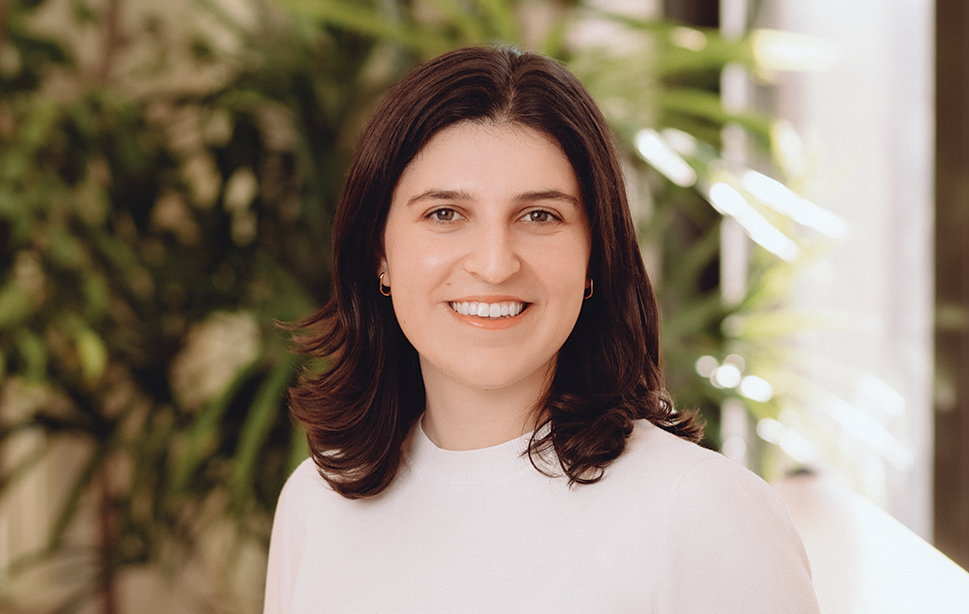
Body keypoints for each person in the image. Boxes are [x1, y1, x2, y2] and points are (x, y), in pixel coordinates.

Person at [263, 45, 820, 613]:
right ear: (378, 251)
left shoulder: (703, 512)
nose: (495, 263)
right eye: (445, 214)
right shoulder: (315, 503)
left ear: (594, 257)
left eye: (539, 217)